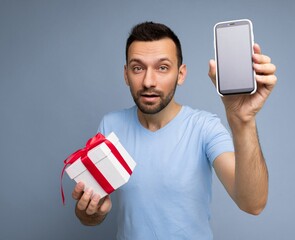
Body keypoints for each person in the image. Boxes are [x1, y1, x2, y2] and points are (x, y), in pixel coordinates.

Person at [72, 21, 277, 239]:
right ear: (126, 74)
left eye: (162, 68)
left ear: (181, 74)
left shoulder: (204, 127)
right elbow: (89, 216)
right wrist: (91, 212)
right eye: (138, 68)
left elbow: (252, 203)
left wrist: (243, 120)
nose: (149, 81)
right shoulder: (110, 127)